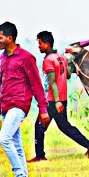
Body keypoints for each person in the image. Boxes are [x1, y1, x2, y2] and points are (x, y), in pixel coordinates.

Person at [27, 31, 89, 162]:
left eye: (40, 43)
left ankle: (40, 156)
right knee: (65, 127)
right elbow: (67, 75)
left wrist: (56, 102)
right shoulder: (62, 57)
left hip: (52, 101)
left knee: (39, 126)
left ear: (47, 44)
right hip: (62, 99)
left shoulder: (48, 60)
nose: (38, 46)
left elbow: (52, 82)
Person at [0, 22, 50, 177]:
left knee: (4, 139)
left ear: (9, 38)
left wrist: (43, 109)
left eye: (0, 37)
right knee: (17, 145)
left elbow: (36, 85)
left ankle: (19, 174)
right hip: (5, 107)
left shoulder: (26, 58)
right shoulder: (2, 58)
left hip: (19, 106)